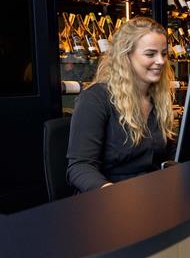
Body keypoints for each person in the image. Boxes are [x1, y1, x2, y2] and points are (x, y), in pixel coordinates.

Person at [67, 17, 177, 192]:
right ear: (126, 56)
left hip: (153, 195)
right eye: (150, 54)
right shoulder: (95, 99)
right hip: (111, 199)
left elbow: (172, 158)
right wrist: (113, 195)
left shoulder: (158, 100)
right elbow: (80, 167)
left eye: (164, 53)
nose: (161, 61)